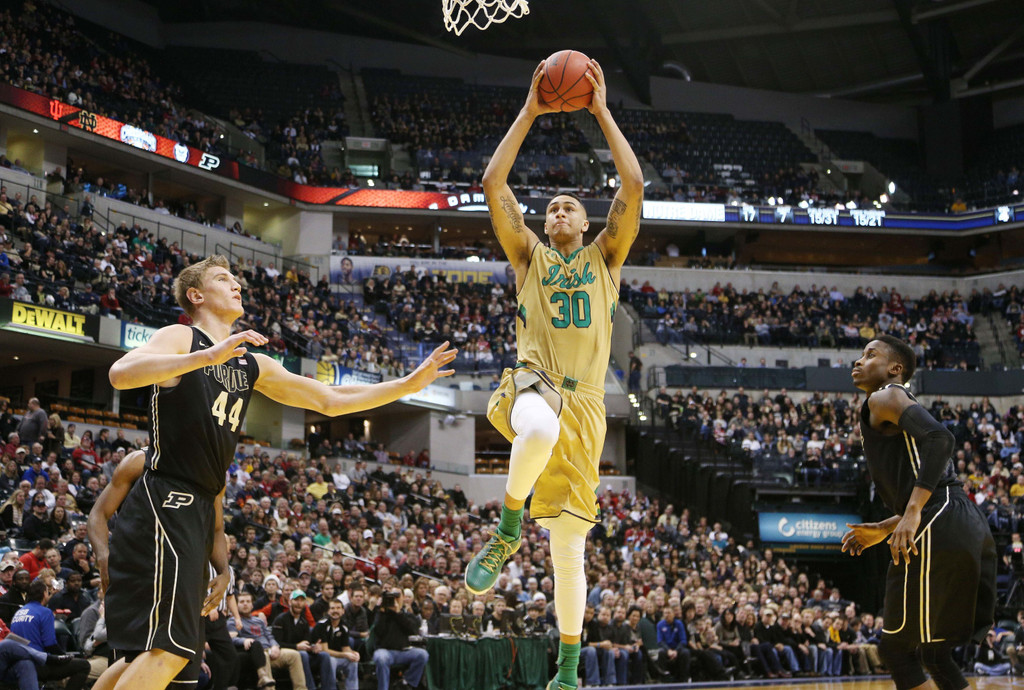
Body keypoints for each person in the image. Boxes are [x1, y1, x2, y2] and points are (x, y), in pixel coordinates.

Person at [98, 255, 457, 690]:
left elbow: (330, 399)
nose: (236, 285)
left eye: (235, 279)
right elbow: (120, 374)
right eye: (222, 279)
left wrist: (404, 386)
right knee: (169, 652)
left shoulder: (252, 364)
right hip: (166, 498)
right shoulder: (182, 337)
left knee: (153, 656)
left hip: (197, 508)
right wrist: (206, 355)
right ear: (196, 295)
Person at [464, 58, 643, 690]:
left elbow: (633, 183)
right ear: (543, 225)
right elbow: (492, 181)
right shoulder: (528, 257)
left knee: (570, 552)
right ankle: (508, 527)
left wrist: (599, 110)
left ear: (588, 222)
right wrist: (533, 111)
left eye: (571, 205)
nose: (561, 210)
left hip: (589, 406)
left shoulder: (607, 258)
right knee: (533, 430)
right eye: (553, 207)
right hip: (533, 380)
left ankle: (567, 674)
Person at [842, 335, 997, 690]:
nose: (859, 360)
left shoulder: (886, 395)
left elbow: (941, 439)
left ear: (894, 369)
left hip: (939, 515)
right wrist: (886, 526)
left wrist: (911, 514)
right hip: (959, 519)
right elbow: (931, 482)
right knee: (933, 653)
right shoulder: (887, 404)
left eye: (870, 355)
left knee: (897, 650)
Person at [10, 579, 91, 689]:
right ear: (44, 593)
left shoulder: (19, 612)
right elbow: (50, 644)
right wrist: (64, 656)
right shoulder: (45, 612)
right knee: (83, 665)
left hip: (18, 665)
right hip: (38, 665)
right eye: (48, 591)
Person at [372, 589, 428, 690]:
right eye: (392, 597)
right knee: (381, 658)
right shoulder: (381, 614)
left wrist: (398, 613)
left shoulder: (406, 615)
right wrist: (383, 612)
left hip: (404, 651)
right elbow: (378, 632)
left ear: (402, 598)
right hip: (385, 651)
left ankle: (407, 682)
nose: (394, 600)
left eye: (397, 596)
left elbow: (412, 630)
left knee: (422, 655)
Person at [309, 597, 360, 690]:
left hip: (335, 656)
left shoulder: (344, 626)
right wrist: (345, 654)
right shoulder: (322, 625)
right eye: (332, 608)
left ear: (343, 611)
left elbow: (345, 648)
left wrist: (353, 653)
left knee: (353, 661)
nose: (335, 611)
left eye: (338, 608)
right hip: (318, 657)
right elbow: (325, 650)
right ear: (328, 611)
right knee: (330, 660)